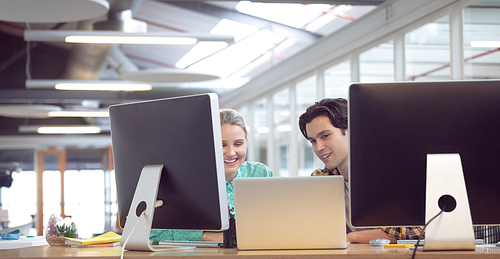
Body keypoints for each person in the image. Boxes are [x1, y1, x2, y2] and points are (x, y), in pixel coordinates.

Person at [298, 98, 423, 244]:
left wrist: (352, 237)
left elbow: (416, 231)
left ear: (351, 131)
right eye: (313, 141)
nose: (318, 147)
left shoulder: (392, 175)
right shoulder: (321, 179)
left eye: (325, 136)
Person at [150, 109, 274, 242]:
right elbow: (152, 234)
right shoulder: (185, 183)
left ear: (246, 143)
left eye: (238, 144)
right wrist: (208, 237)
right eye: (222, 145)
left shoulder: (260, 174)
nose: (231, 152)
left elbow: (278, 222)